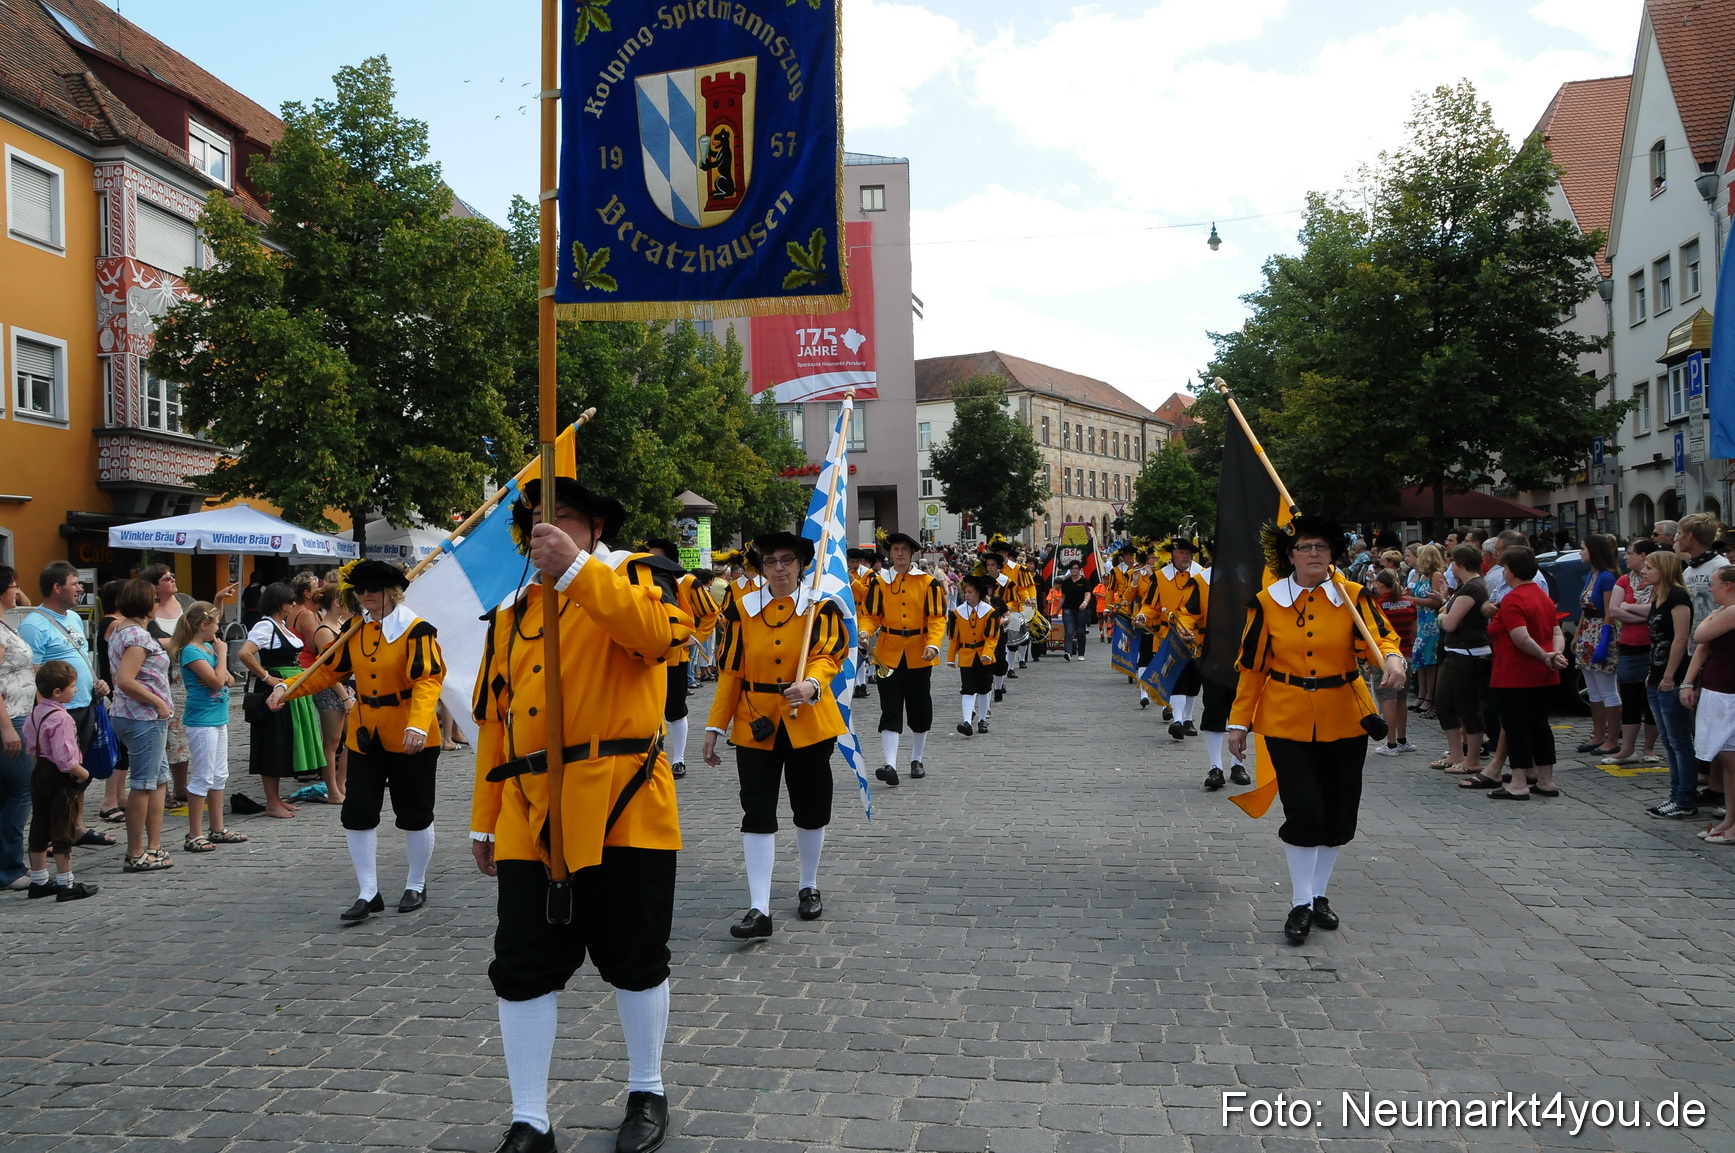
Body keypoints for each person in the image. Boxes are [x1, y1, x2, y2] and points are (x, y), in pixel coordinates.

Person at [470, 478, 691, 1153]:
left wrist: (575, 570)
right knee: (522, 963)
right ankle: (530, 1118)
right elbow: (494, 722)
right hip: (529, 811)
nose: (545, 532)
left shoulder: (639, 578)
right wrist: (483, 816)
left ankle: (646, 1088)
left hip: (624, 802)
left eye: (561, 520)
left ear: (595, 527)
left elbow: (657, 638)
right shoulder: (511, 614)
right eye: (536, 524)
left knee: (635, 957)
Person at [1226, 516, 1404, 944]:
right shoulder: (1267, 603)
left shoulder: (1353, 597)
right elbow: (1252, 669)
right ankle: (1300, 901)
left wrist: (1393, 658)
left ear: (1332, 555)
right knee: (1304, 810)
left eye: (1321, 548)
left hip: (1346, 716)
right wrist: (1238, 722)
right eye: (1305, 547)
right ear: (1290, 556)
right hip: (1286, 719)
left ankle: (1320, 894)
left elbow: (1381, 640)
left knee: (1339, 813)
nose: (1313, 555)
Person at [272, 561, 445, 919]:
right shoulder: (354, 630)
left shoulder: (417, 630)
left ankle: (416, 883)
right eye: (362, 591)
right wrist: (287, 689)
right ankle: (369, 891)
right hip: (366, 734)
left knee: (414, 811)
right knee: (357, 811)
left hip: (411, 734)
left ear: (392, 593)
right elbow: (326, 670)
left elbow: (428, 681)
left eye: (375, 590)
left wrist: (418, 725)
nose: (368, 596)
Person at [702, 530, 847, 937]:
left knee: (811, 806)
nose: (778, 568)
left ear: (801, 565)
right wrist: (715, 725)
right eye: (770, 561)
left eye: (786, 560)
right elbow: (731, 672)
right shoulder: (741, 607)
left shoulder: (820, 607)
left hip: (809, 719)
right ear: (761, 567)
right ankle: (758, 907)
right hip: (754, 722)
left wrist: (813, 684)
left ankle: (808, 884)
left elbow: (827, 657)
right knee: (757, 810)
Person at [861, 532, 946, 785]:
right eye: (895, 549)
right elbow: (871, 615)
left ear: (912, 554)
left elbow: (937, 618)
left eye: (904, 550)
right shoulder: (879, 582)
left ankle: (917, 758)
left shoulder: (928, 583)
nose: (899, 553)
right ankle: (889, 764)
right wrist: (865, 630)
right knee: (890, 708)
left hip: (919, 652)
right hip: (888, 653)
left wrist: (933, 644)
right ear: (889, 553)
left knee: (920, 709)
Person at [1481, 547, 1565, 800]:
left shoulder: (1514, 599)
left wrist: (1543, 655)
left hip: (1515, 672)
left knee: (1515, 726)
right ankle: (1546, 780)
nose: (1503, 573)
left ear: (1513, 570)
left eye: (1505, 568)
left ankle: (1518, 783)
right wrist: (1554, 655)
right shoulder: (1542, 596)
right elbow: (1556, 632)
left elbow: (1520, 637)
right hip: (1543, 673)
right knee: (1540, 724)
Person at [108, 579, 177, 872]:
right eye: (153, 599)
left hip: (138, 716)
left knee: (159, 779)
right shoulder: (136, 636)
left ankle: (154, 845)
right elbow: (125, 679)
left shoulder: (122, 630)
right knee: (144, 784)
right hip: (143, 716)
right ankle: (135, 852)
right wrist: (159, 702)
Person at [238, 582, 321, 819]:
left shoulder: (280, 625)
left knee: (285, 741)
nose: (294, 605)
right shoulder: (265, 626)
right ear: (279, 604)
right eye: (289, 601)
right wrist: (267, 676)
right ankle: (272, 801)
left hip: (290, 685)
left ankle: (276, 799)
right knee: (272, 742)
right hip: (274, 688)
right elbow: (244, 652)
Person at [169, 602, 247, 852]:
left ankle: (217, 827)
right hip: (201, 720)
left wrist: (221, 669)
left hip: (217, 718)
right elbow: (216, 680)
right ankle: (194, 833)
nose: (218, 629)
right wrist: (222, 655)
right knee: (202, 775)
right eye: (215, 624)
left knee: (219, 774)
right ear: (204, 626)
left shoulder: (207, 649)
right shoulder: (192, 651)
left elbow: (229, 679)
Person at [641, 539, 719, 782]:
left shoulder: (687, 582)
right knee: (647, 711)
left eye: (657, 558)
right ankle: (653, 758)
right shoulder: (638, 582)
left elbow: (711, 612)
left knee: (675, 708)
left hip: (675, 658)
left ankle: (679, 759)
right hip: (644, 659)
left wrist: (694, 637)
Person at [22, 661, 98, 900]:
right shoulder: (62, 718)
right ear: (57, 692)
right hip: (58, 775)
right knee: (63, 825)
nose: (76, 690)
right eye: (73, 686)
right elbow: (64, 758)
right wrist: (83, 773)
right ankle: (66, 883)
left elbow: (30, 742)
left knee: (40, 824)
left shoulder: (37, 711)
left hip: (39, 771)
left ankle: (39, 880)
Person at [1641, 550, 1697, 820]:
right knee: (1668, 739)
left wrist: (1669, 676)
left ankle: (1685, 798)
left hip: (1671, 676)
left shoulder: (1677, 596)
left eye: (1650, 567)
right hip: (1656, 673)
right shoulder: (1658, 596)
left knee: (1679, 740)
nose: (1644, 571)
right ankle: (1676, 795)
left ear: (1663, 569)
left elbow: (1680, 638)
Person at [1680, 565, 1735, 842]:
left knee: (1732, 758)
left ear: (1728, 586)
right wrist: (1688, 682)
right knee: (1725, 758)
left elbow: (1700, 635)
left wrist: (1709, 619)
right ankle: (1729, 819)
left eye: (1713, 583)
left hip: (1729, 692)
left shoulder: (1731, 611)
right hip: (1718, 689)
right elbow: (1703, 645)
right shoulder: (1722, 613)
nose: (1709, 589)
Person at [139, 564, 196, 810]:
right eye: (166, 578)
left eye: (172, 575)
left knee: (182, 734)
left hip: (189, 676)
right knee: (166, 734)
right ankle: (161, 786)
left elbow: (204, 623)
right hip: (163, 678)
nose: (172, 579)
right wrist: (175, 642)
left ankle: (181, 786)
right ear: (155, 586)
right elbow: (149, 642)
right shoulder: (147, 612)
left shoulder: (185, 601)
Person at [1139, 537, 1208, 740]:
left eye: (1189, 553)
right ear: (1172, 555)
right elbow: (1150, 605)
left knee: (1193, 680)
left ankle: (1188, 718)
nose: (1185, 556)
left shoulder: (1202, 576)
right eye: (1181, 553)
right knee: (1175, 677)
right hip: (1168, 637)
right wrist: (1143, 615)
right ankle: (1177, 719)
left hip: (1196, 638)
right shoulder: (1159, 577)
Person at [1432, 545, 1492, 776]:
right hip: (1454, 651)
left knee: (1467, 706)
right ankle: (1456, 753)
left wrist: (1441, 614)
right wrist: (1446, 602)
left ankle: (1473, 758)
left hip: (1468, 654)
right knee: (1444, 703)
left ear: (1461, 564)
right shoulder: (1464, 587)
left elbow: (1449, 622)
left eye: (1452, 562)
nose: (1450, 566)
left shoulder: (1473, 588)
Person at [1606, 540, 1662, 765]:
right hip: (1629, 645)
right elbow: (1613, 610)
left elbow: (1657, 609)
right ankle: (1627, 749)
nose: (1626, 558)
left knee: (1651, 697)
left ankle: (1649, 748)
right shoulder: (1623, 580)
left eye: (1630, 554)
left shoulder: (1658, 580)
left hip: (1652, 644)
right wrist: (1642, 615)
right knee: (1629, 695)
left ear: (1643, 556)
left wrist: (1629, 608)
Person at [0, 566, 37, 890]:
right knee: (21, 791)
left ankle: (6, 864)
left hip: (17, 714)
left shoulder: (5, 624)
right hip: (10, 717)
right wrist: (7, 729)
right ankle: (10, 866)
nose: (17, 592)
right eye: (13, 586)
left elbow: (26, 603)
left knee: (8, 793)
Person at [1572, 534, 1622, 758]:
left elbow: (1610, 610)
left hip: (1601, 630)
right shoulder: (1591, 575)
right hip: (1587, 631)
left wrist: (1604, 639)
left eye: (1583, 548)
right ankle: (1598, 733)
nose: (1581, 552)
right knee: (1592, 687)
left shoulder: (1606, 577)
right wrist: (1577, 634)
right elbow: (1585, 608)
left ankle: (1612, 737)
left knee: (1607, 688)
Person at [310, 583, 354, 803]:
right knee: (333, 742)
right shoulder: (324, 631)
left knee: (354, 736)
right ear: (337, 602)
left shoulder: (339, 625)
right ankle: (333, 789)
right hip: (331, 689)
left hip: (345, 687)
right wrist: (345, 696)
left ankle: (341, 782)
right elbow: (328, 669)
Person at [1368, 570, 1418, 756]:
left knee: (1387, 700)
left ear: (1381, 585)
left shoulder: (1378, 605)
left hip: (1385, 658)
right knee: (1402, 699)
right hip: (1406, 654)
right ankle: (1402, 740)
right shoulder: (1410, 603)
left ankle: (1390, 744)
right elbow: (1414, 631)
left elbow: (1374, 634)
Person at [948, 575, 1000, 735]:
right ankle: (966, 722)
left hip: (984, 655)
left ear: (978, 593)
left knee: (984, 688)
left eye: (970, 592)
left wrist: (987, 654)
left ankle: (982, 720)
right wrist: (951, 657)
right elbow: (954, 638)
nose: (966, 595)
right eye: (965, 592)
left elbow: (992, 637)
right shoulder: (957, 613)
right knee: (967, 689)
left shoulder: (990, 612)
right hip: (965, 655)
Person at [1406, 544, 1447, 718]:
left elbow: (1437, 602)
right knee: (1420, 658)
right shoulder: (1422, 576)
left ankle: (1430, 696)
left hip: (1431, 622)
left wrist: (1412, 599)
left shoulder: (1436, 575)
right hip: (1421, 620)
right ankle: (1422, 694)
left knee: (1430, 660)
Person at [1056, 560, 1092, 661]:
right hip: (1068, 609)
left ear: (1080, 570)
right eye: (1072, 568)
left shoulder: (1084, 581)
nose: (1074, 570)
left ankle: (1081, 653)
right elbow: (1063, 597)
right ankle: (1068, 652)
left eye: (1076, 568)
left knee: (1081, 631)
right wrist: (1056, 611)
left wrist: (1085, 603)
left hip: (1081, 610)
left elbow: (1088, 594)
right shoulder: (1066, 582)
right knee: (1069, 631)